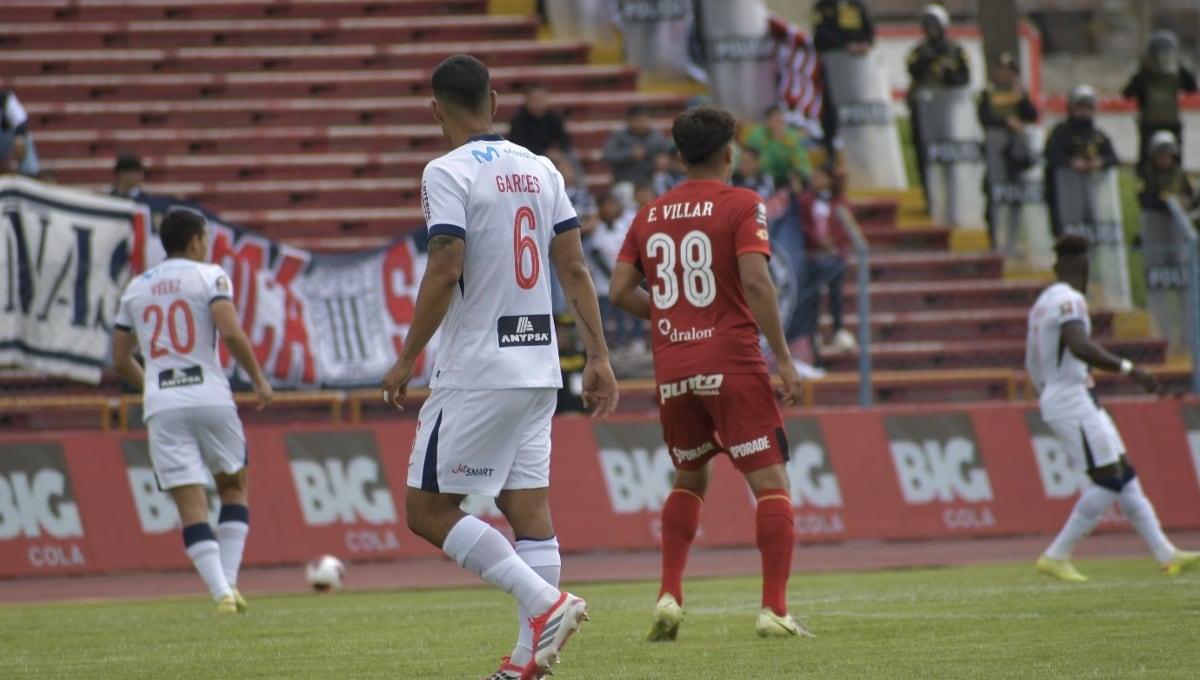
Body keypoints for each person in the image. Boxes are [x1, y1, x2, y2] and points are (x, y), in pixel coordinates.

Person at [379, 55, 617, 680]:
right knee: (527, 511)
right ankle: (525, 664)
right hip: (540, 366)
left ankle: (547, 604)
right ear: (494, 99)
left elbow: (446, 264)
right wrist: (598, 356)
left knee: (426, 511)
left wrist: (407, 357)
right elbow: (574, 269)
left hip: (479, 368)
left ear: (436, 109)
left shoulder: (445, 171)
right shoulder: (541, 168)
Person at [608, 105, 810, 641]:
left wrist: (673, 316)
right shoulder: (743, 203)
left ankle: (669, 595)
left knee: (691, 476)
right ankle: (774, 610)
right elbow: (759, 282)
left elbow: (619, 290)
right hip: (732, 360)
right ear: (730, 152)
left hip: (674, 367)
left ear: (678, 155)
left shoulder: (648, 214)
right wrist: (784, 359)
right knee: (772, 484)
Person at [111, 209, 274, 613]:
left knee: (190, 505)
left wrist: (151, 382)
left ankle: (219, 593)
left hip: (162, 404)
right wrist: (258, 380)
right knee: (233, 487)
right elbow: (230, 330)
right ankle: (232, 583)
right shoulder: (210, 276)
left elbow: (119, 358)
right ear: (197, 240)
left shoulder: (136, 288)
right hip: (211, 397)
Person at [1026, 235, 1199, 583]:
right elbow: (1079, 345)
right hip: (1070, 398)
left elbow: (1032, 360)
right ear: (1085, 264)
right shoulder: (1070, 300)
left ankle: (1167, 554)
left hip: (1069, 393)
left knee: (1125, 475)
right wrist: (1129, 369)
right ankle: (1056, 555)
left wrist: (1048, 388)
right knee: (1109, 479)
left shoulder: (1043, 301)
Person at [906, 3, 971, 201]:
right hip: (925, 110)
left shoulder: (956, 50)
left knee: (950, 152)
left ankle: (956, 192)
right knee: (925, 151)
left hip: (949, 110)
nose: (932, 29)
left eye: (935, 25)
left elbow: (964, 77)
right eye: (928, 25)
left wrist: (949, 74)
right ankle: (929, 193)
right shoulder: (918, 51)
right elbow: (913, 70)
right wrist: (928, 58)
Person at [977, 52, 1040, 241]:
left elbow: (1032, 115)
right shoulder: (988, 93)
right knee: (995, 191)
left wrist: (1022, 98)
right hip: (996, 149)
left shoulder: (1019, 92)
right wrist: (1007, 121)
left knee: (1016, 194)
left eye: (1009, 71)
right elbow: (984, 117)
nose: (1005, 74)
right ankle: (995, 236)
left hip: (1017, 149)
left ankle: (1012, 239)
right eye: (1002, 70)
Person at [1043, 85, 1119, 237]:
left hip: (1092, 190)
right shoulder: (1061, 132)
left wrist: (1100, 162)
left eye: (1088, 107)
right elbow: (1050, 155)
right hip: (1066, 193)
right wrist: (1071, 162)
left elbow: (1113, 157)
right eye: (1080, 107)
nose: (1085, 111)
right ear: (1071, 108)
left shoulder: (1098, 135)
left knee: (1091, 228)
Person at [797, 164, 856, 356]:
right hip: (813, 256)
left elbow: (844, 226)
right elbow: (803, 225)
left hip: (835, 255)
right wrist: (817, 241)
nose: (816, 180)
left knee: (835, 294)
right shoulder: (806, 201)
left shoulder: (840, 202)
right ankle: (812, 333)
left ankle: (838, 329)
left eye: (821, 176)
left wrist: (833, 242)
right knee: (812, 297)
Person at [1122, 30, 1198, 168]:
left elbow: (1191, 88)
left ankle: (1175, 182)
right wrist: (1143, 71)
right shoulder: (1146, 75)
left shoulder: (1177, 73)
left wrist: (1183, 67)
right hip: (1150, 123)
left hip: (1171, 122)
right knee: (1147, 159)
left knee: (1173, 157)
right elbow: (1127, 93)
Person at [811, 0, 875, 153]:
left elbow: (870, 32)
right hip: (833, 68)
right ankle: (830, 148)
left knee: (857, 106)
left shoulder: (858, 6)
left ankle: (861, 147)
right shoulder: (823, 6)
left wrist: (865, 44)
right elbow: (819, 35)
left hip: (857, 70)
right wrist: (846, 46)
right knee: (831, 108)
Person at [587, 191, 639, 351]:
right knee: (604, 314)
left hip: (621, 278)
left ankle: (624, 343)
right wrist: (611, 274)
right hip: (604, 282)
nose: (610, 209)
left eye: (613, 205)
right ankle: (601, 346)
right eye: (606, 206)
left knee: (622, 315)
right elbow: (595, 254)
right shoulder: (598, 229)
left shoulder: (623, 226)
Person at [602, 105, 672, 210]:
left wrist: (664, 160)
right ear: (629, 120)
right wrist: (630, 154)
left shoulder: (656, 136)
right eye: (638, 120)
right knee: (626, 191)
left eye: (644, 120)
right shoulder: (620, 135)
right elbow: (607, 155)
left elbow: (668, 155)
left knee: (662, 181)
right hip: (626, 181)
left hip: (649, 180)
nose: (641, 123)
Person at [743, 107, 811, 188]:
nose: (779, 125)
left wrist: (797, 174)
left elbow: (801, 160)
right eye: (776, 121)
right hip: (764, 174)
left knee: (803, 181)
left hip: (787, 175)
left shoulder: (792, 135)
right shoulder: (757, 135)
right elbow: (754, 160)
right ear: (766, 121)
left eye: (782, 121)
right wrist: (776, 141)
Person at [506, 83, 573, 157]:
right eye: (535, 100)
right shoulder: (518, 120)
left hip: (550, 158)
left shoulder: (554, 118)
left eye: (541, 99)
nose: (538, 104)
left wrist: (559, 151)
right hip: (527, 158)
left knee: (570, 156)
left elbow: (565, 142)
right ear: (527, 100)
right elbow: (518, 146)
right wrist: (544, 153)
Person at [1137, 130, 1192, 212]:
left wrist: (1185, 201)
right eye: (1160, 156)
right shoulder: (1148, 175)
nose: (1164, 160)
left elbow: (1189, 193)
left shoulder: (1179, 175)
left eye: (1167, 156)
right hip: (1156, 217)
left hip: (1177, 218)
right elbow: (1144, 200)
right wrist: (1164, 202)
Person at [0, 90, 36, 176]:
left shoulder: (4, 98)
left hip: (2, 141)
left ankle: (29, 175)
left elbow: (20, 121)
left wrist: (19, 139)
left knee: (24, 137)